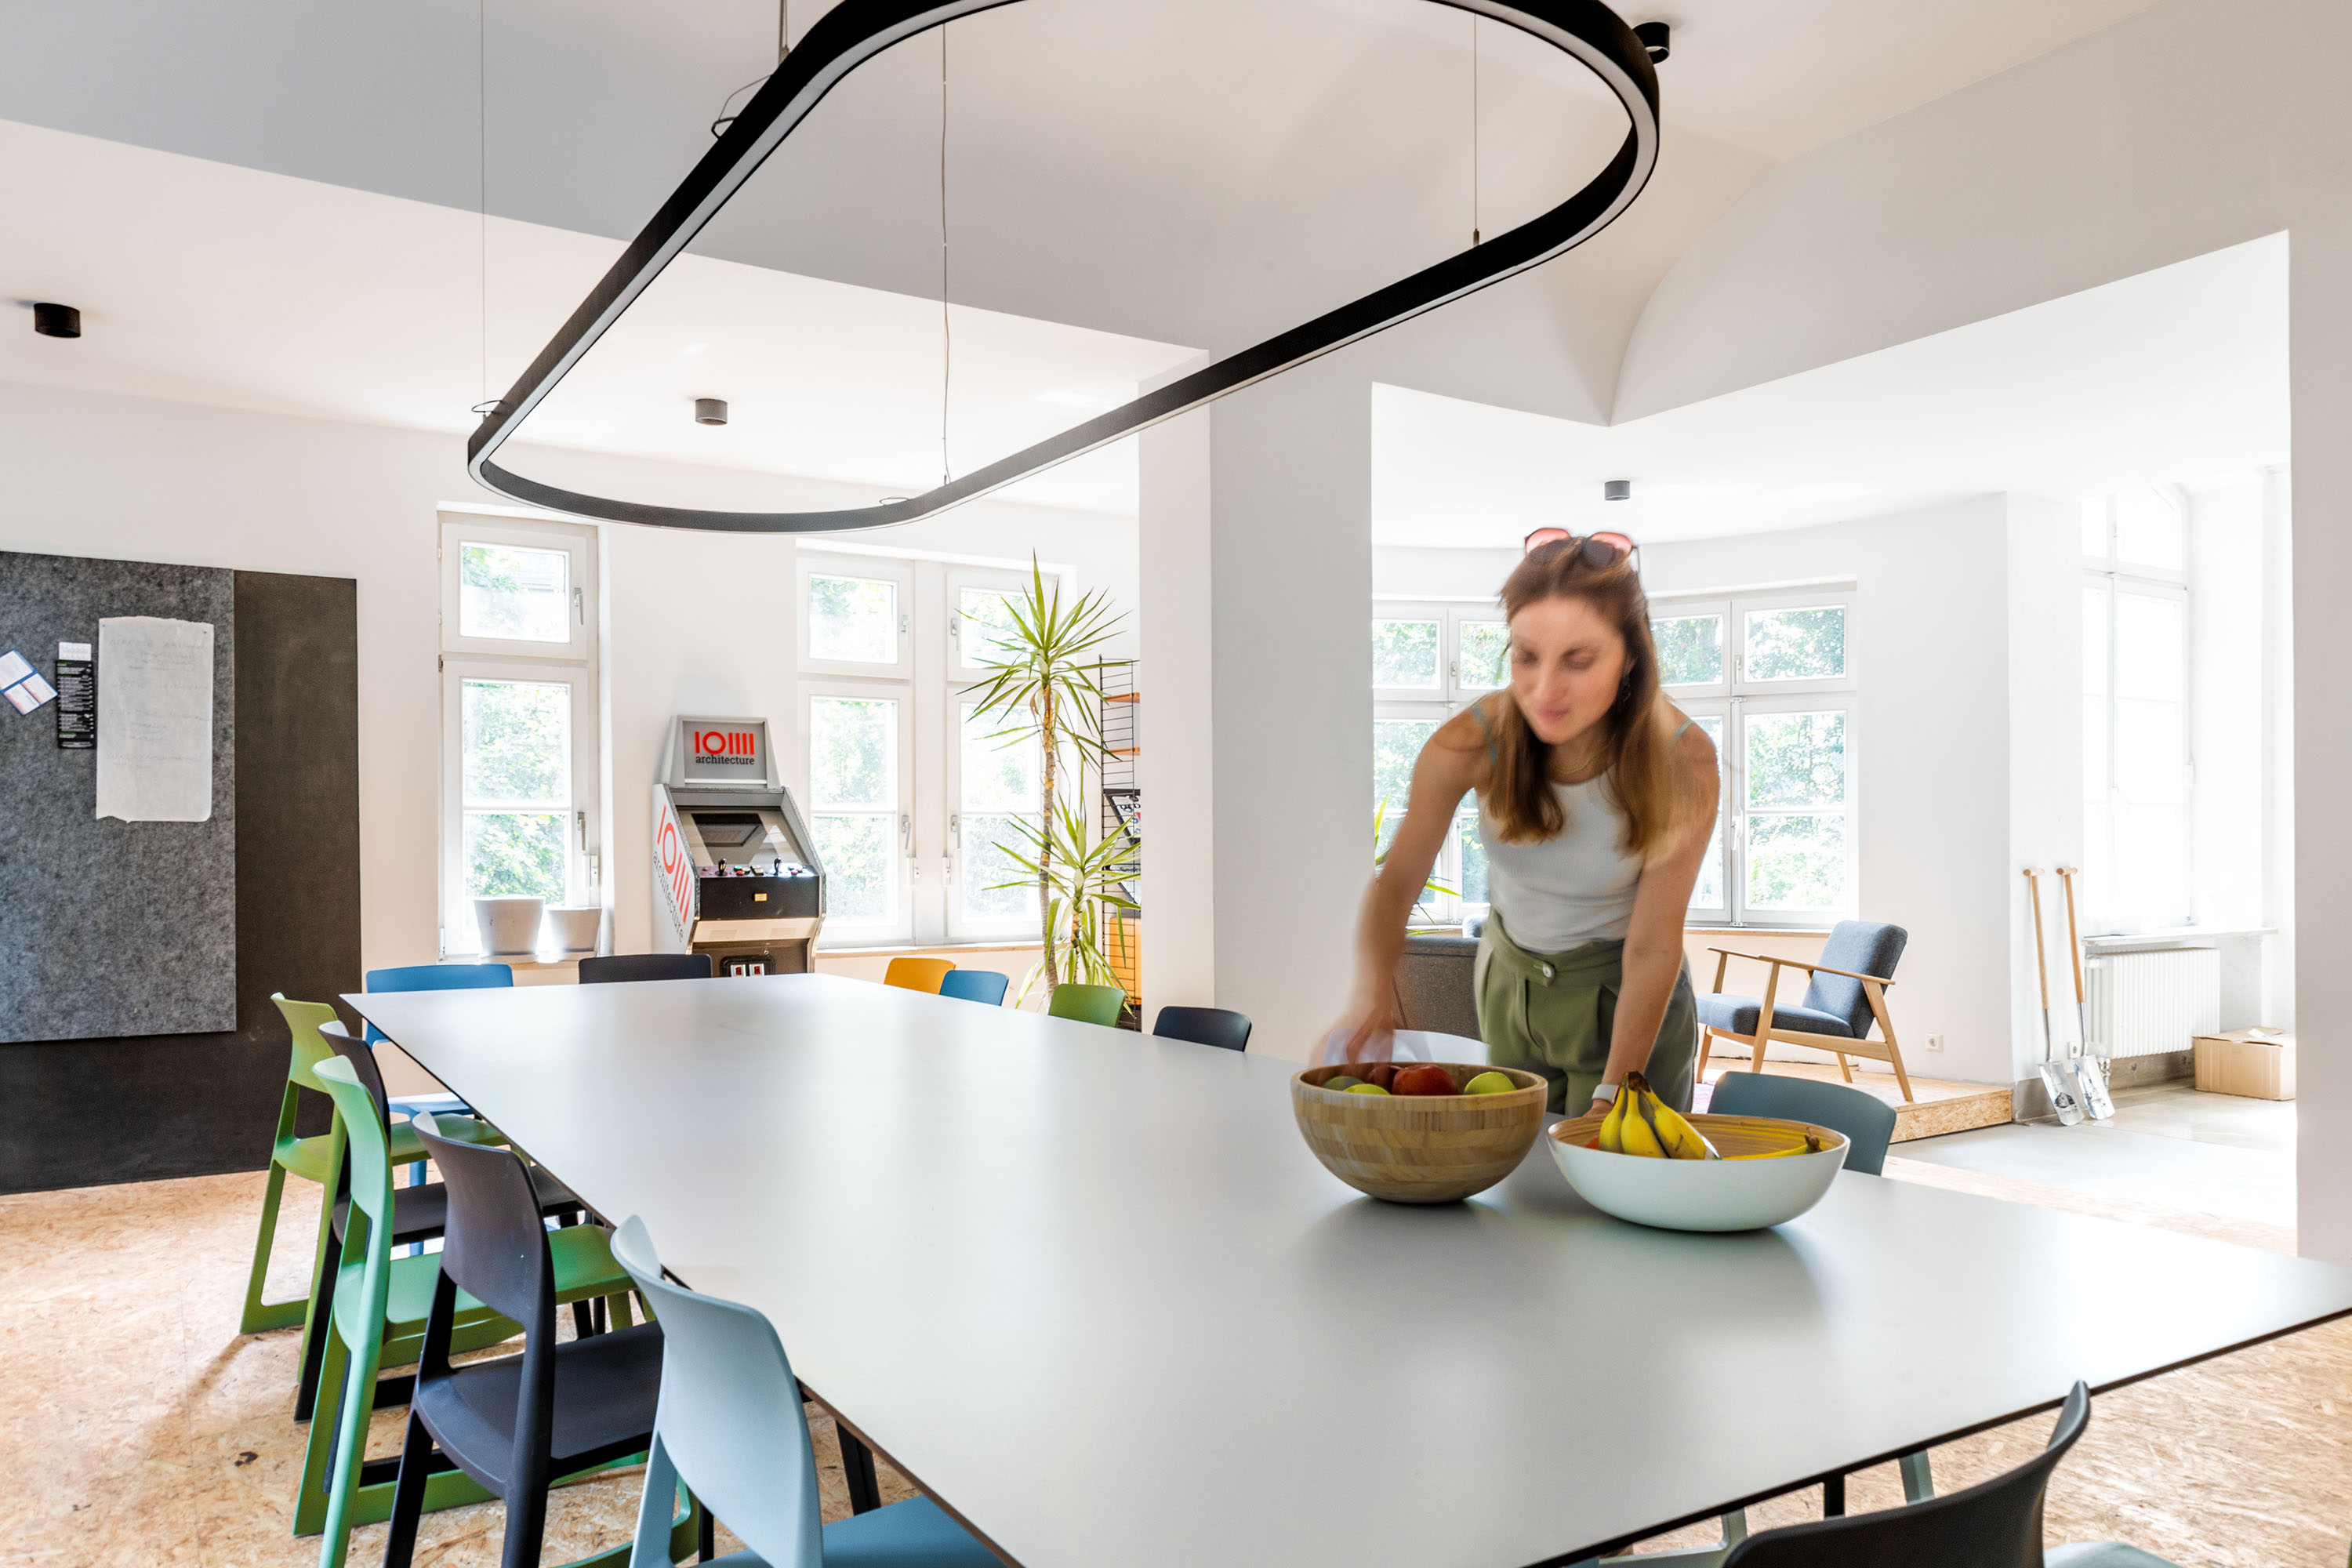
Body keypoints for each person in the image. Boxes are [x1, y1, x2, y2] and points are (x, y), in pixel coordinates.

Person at [1334, 529, 1719, 1116]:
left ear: (1630, 657)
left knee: (1612, 1167)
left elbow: (1653, 944)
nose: (1544, 690)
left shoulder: (1683, 759)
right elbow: (1396, 887)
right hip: (1509, 988)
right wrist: (1371, 997)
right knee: (1518, 1168)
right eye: (1526, 656)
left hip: (1630, 1000)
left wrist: (1614, 1093)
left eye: (1578, 661)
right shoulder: (1470, 742)